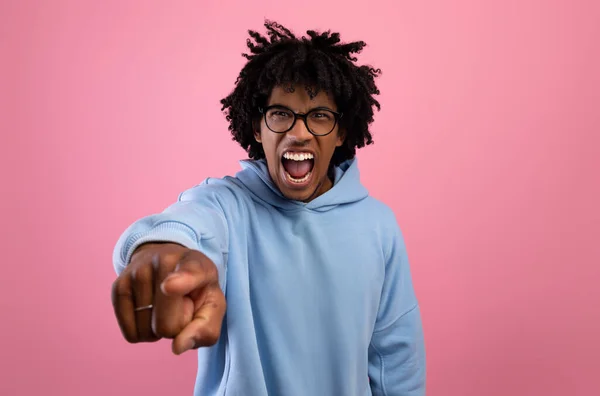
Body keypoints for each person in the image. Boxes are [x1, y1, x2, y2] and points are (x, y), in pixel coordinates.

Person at [111, 20, 426, 396]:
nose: (300, 131)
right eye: (280, 113)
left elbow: (396, 358)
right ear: (258, 128)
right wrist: (160, 249)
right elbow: (186, 225)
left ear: (342, 133)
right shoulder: (226, 205)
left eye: (320, 116)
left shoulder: (378, 225)